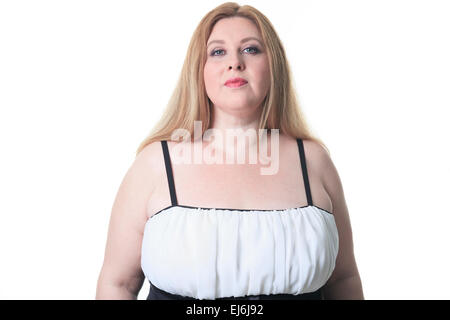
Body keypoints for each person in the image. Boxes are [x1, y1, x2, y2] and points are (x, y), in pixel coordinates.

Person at [95, 2, 364, 300]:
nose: (235, 63)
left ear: (273, 64)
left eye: (251, 49)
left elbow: (344, 279)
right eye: (218, 52)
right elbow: (117, 284)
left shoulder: (313, 162)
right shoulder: (156, 164)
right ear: (200, 70)